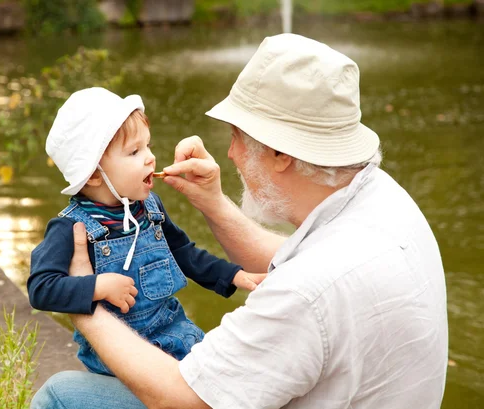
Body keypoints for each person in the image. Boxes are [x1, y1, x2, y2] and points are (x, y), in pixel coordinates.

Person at [31, 34, 448, 408]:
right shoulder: (384, 198)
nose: (229, 154)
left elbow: (179, 400)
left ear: (281, 154)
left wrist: (86, 303)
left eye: (237, 137)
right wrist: (214, 206)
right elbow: (301, 263)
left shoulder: (307, 295)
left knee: (59, 393)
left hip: (185, 373)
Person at [28, 87, 265, 376]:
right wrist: (97, 286)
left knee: (239, 368)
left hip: (176, 337)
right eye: (134, 151)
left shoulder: (149, 208)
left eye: (148, 146)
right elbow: (41, 288)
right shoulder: (71, 227)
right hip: (121, 363)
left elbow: (183, 252)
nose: (150, 158)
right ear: (92, 174)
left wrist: (232, 274)